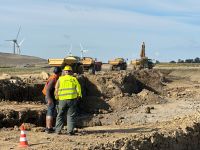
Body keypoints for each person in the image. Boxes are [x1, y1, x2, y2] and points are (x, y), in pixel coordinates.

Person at [54, 65, 82, 135]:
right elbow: (78, 88)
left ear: (64, 72)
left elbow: (56, 89)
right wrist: (78, 96)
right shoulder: (74, 79)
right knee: (71, 115)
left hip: (62, 100)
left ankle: (57, 130)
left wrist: (56, 97)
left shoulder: (60, 79)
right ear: (71, 72)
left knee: (60, 115)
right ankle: (70, 131)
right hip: (72, 99)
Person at [42, 67, 62, 133]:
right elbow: (48, 90)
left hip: (50, 96)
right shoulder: (53, 79)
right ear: (59, 73)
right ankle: (49, 128)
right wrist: (49, 99)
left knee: (51, 110)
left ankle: (49, 127)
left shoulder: (54, 77)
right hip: (49, 96)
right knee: (50, 111)